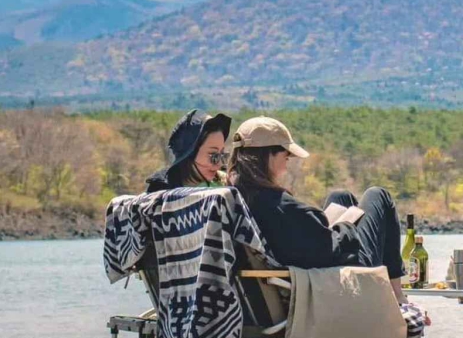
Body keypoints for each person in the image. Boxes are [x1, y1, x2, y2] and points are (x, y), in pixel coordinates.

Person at [226, 116, 406, 287]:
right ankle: (397, 295)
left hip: (308, 263)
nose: (288, 160)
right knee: (378, 196)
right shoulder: (277, 205)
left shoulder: (240, 196)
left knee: (340, 196)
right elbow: (330, 250)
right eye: (285, 155)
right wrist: (346, 227)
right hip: (337, 276)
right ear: (268, 155)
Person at [144, 110, 232, 193]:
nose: (219, 163)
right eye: (213, 156)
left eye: (223, 156)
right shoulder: (160, 192)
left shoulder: (227, 185)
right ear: (190, 154)